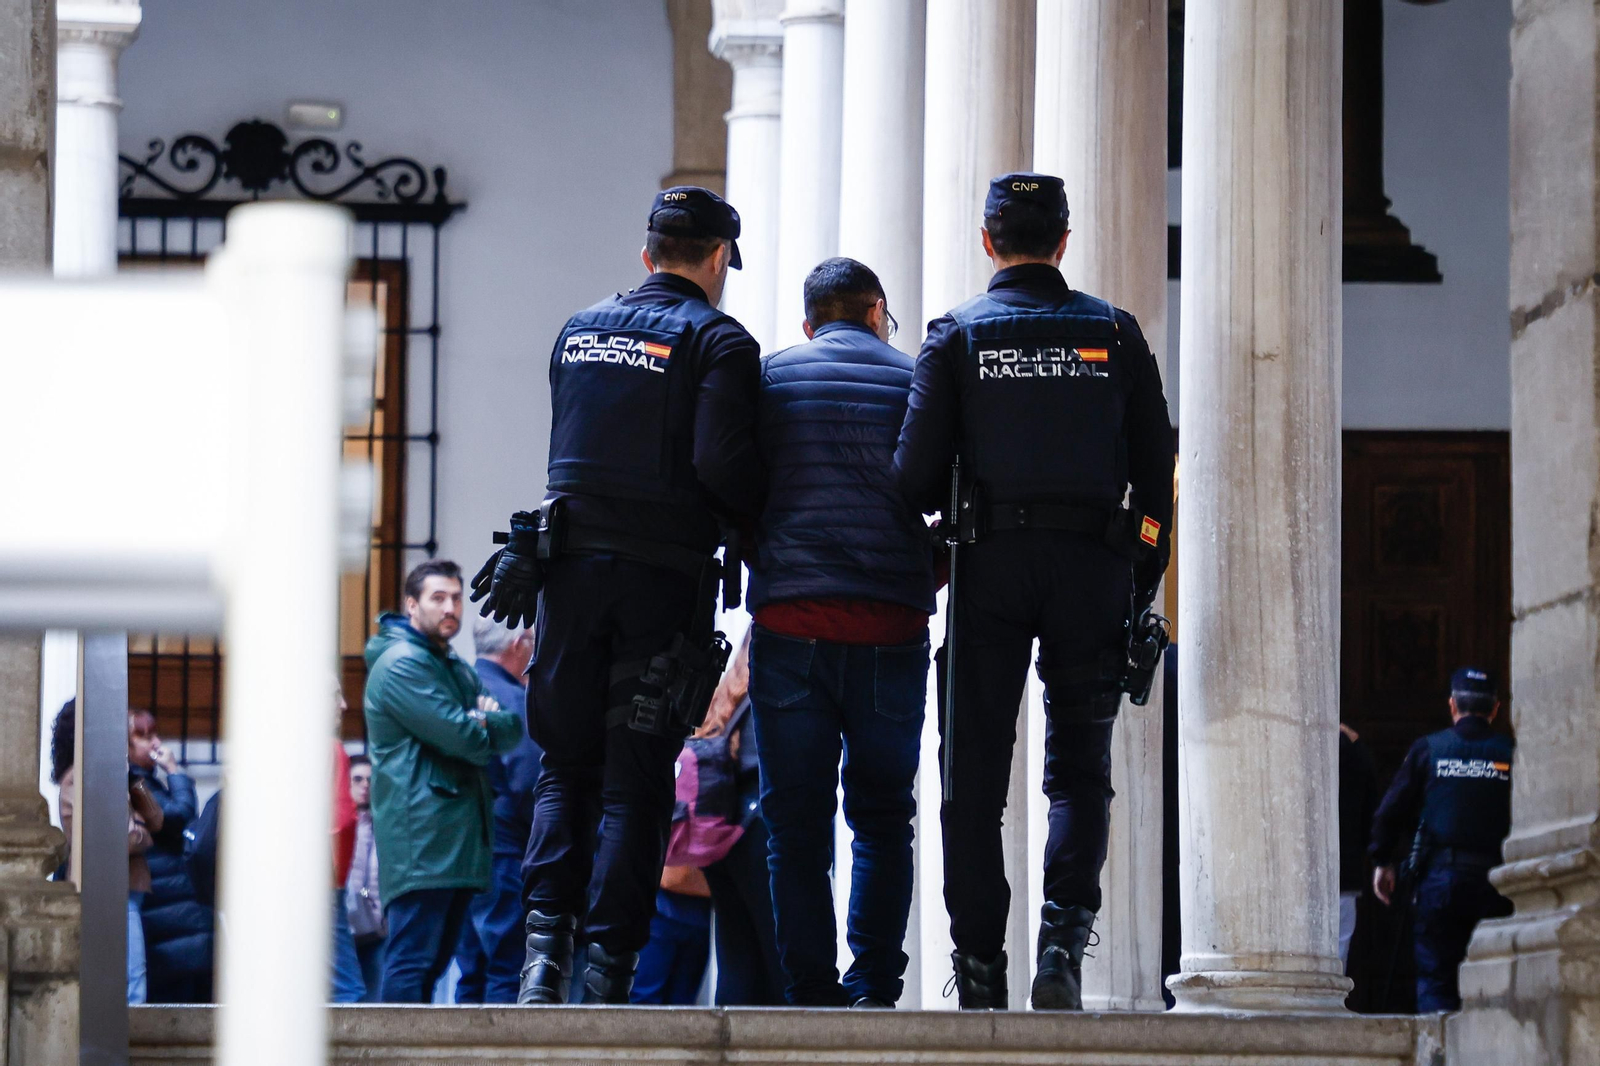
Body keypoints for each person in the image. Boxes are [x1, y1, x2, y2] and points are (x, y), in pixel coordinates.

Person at [475, 185, 764, 1006]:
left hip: (569, 583)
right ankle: (607, 972)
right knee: (637, 782)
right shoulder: (719, 340)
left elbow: (572, 456)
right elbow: (722, 466)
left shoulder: (580, 329)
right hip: (662, 588)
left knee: (565, 769)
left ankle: (542, 963)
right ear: (717, 259)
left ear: (647, 254)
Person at [894, 172, 1175, 1010]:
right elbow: (1154, 473)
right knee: (1079, 772)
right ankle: (1060, 948)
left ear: (988, 242)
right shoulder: (1114, 333)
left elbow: (912, 477)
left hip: (991, 566)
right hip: (1093, 566)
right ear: (1063, 241)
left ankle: (982, 969)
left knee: (972, 778)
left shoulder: (956, 336)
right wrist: (1141, 574)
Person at [742, 257, 934, 1007]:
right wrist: (923, 573)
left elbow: (737, 481)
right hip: (891, 625)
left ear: (809, 321)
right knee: (883, 818)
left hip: (791, 623)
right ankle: (875, 985)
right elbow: (944, 490)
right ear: (878, 311)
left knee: (794, 826)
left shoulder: (771, 378)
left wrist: (767, 560)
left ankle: (811, 990)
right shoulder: (915, 379)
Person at [363, 559, 525, 1003]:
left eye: (456, 597)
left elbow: (511, 728)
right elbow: (465, 738)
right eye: (438, 598)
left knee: (432, 966)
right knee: (412, 964)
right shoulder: (402, 664)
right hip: (422, 837)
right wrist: (479, 721)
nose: (451, 607)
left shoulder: (451, 664)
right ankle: (390, 1047)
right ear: (412, 605)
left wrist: (479, 722)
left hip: (454, 838)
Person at [1370, 666, 1514, 1013]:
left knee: (1437, 980)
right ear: (1495, 709)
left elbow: (1391, 811)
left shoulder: (1429, 749)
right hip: (1498, 881)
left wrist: (1382, 860)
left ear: (1452, 705)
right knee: (1497, 979)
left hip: (1441, 881)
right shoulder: (1511, 752)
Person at [49, 700, 164, 1005]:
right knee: (131, 981)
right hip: (106, 889)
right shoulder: (77, 778)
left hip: (126, 888)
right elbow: (119, 840)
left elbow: (156, 819)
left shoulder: (115, 774)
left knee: (133, 978)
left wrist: (133, 782)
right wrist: (141, 834)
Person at [453, 615, 543, 1004]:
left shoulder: (453, 691)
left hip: (457, 852)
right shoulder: (514, 701)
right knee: (506, 968)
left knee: (471, 970)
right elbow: (529, 782)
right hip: (503, 851)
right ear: (517, 644)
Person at [699, 631, 786, 1006]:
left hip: (723, 835)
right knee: (782, 958)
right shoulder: (770, 694)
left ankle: (726, 1038)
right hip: (758, 830)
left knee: (737, 959)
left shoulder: (731, 694)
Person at [130, 708, 215, 1004]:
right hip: (165, 901)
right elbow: (178, 817)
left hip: (169, 901)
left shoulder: (144, 781)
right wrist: (175, 772)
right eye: (143, 736)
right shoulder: (135, 783)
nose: (155, 743)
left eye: (154, 734)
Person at [1338, 722, 1379, 970]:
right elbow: (1372, 817)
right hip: (1346, 871)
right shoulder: (1359, 756)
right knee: (1338, 954)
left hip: (1294, 876)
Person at [346, 754, 386, 1001]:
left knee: (375, 1002)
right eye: (358, 779)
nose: (365, 785)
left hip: (378, 932)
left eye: (371, 780)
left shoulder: (385, 825)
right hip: (344, 932)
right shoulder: (336, 826)